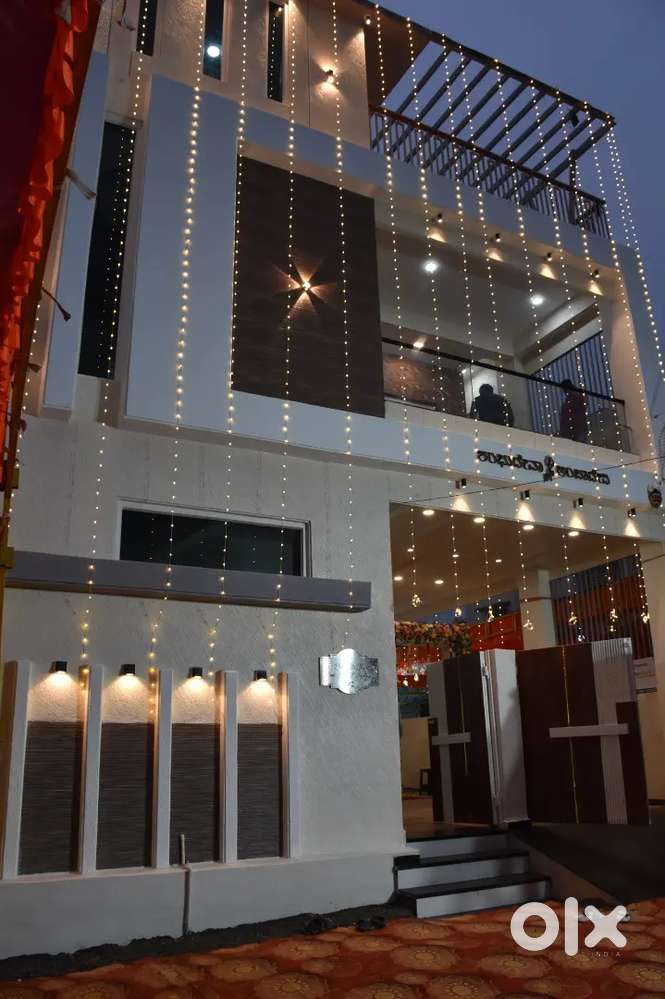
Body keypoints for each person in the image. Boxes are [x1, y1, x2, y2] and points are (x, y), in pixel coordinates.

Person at [559, 378, 588, 443]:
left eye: (566, 388)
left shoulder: (576, 398)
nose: (565, 391)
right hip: (572, 430)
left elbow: (584, 403)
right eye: (564, 389)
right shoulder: (567, 402)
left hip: (578, 428)